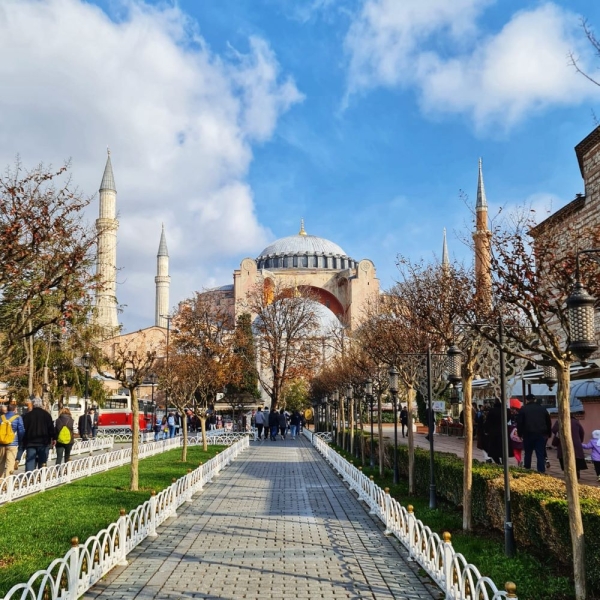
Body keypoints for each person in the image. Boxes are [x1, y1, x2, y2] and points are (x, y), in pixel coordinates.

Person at [517, 393, 551, 473]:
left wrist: (520, 434)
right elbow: (548, 422)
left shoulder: (523, 409)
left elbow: (520, 422)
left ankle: (527, 468)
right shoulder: (543, 409)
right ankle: (541, 471)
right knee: (540, 453)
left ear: (527, 400)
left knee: (528, 453)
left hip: (528, 434)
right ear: (535, 399)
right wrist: (548, 433)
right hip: (541, 434)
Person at [22, 396, 55, 472]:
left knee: (30, 460)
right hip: (43, 442)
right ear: (41, 405)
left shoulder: (28, 416)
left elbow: (24, 429)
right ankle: (41, 476)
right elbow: (51, 428)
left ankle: (29, 477)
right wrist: (53, 437)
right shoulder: (47, 415)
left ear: (33, 404)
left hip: (31, 442)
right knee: (42, 460)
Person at [552, 415, 588, 480]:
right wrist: (580, 440)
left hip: (563, 443)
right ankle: (577, 473)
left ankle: (568, 474)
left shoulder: (559, 421)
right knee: (576, 458)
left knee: (565, 459)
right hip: (576, 444)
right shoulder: (576, 422)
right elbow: (582, 432)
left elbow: (554, 429)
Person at [483, 398, 513, 465]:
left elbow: (488, 421)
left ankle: (498, 462)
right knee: (504, 449)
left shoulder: (492, 411)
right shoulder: (507, 411)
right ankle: (504, 463)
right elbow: (508, 419)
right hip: (504, 431)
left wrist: (486, 430)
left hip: (494, 432)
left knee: (493, 449)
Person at [0, 402, 25, 477]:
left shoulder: (1, 417)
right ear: (15, 409)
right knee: (10, 463)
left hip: (1, 443)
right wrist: (20, 440)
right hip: (12, 443)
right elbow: (21, 430)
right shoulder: (18, 417)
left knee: (1, 463)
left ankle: (0, 481)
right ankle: (7, 482)